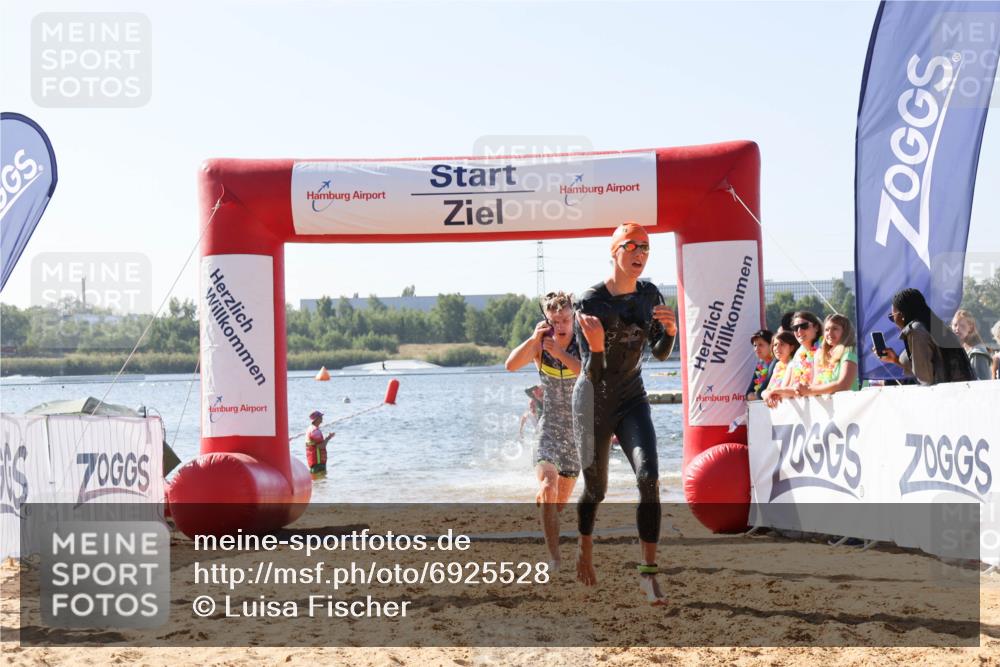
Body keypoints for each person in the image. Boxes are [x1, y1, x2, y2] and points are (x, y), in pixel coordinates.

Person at [572, 222, 676, 605]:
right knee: (596, 490)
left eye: (646, 248)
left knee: (649, 477)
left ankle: (648, 576)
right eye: (632, 246)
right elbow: (593, 372)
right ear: (614, 251)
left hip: (632, 397)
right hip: (593, 399)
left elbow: (660, 352)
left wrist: (671, 332)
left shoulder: (650, 296)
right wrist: (597, 346)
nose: (640, 254)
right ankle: (585, 545)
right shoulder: (590, 301)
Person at [505, 291, 582, 570]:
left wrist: (559, 353)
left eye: (564, 320)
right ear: (546, 321)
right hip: (549, 426)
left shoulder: (581, 343)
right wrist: (533, 339)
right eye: (554, 321)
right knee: (548, 487)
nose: (560, 327)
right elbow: (511, 365)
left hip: (577, 434)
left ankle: (546, 504)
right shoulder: (540, 346)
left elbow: (591, 375)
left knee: (558, 505)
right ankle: (554, 558)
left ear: (573, 318)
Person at [874, 288, 974, 385]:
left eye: (892, 317)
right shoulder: (932, 327)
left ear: (902, 315)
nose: (894, 321)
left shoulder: (916, 330)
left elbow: (925, 378)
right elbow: (931, 366)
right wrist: (895, 359)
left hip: (942, 397)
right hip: (956, 393)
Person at [797, 313, 860, 396]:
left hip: (848, 405)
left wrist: (809, 390)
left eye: (835, 328)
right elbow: (816, 384)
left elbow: (844, 385)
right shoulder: (820, 355)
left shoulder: (849, 351)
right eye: (826, 329)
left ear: (845, 332)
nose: (829, 333)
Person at [951, 309, 992, 381]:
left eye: (962, 326)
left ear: (970, 328)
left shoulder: (977, 353)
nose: (957, 329)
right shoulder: (959, 351)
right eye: (955, 325)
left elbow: (983, 384)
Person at [761, 331, 800, 407]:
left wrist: (771, 393)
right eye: (775, 345)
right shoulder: (777, 365)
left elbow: (785, 389)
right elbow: (767, 389)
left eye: (782, 344)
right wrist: (765, 394)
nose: (777, 348)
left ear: (791, 348)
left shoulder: (794, 364)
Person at [745, 329, 776, 401]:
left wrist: (756, 395)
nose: (756, 349)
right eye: (755, 345)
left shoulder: (777, 363)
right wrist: (756, 395)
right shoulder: (760, 365)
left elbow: (763, 390)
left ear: (771, 345)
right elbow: (748, 393)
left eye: (760, 345)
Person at [305, 410, 334, 475]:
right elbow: (321, 446)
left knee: (318, 483)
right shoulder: (315, 431)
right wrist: (328, 438)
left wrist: (327, 437)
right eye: (320, 417)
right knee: (320, 481)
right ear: (317, 419)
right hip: (318, 463)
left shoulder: (310, 429)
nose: (322, 418)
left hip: (314, 461)